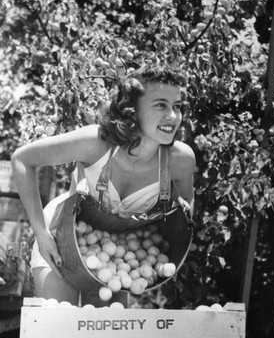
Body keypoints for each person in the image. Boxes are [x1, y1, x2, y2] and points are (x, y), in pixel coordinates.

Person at [11, 66, 196, 305]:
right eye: (160, 105)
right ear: (133, 110)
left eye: (177, 106)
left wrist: (158, 254)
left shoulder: (180, 160)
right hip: (61, 243)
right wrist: (40, 232)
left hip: (115, 255)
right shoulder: (97, 143)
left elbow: (185, 213)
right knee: (57, 329)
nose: (173, 116)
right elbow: (23, 160)